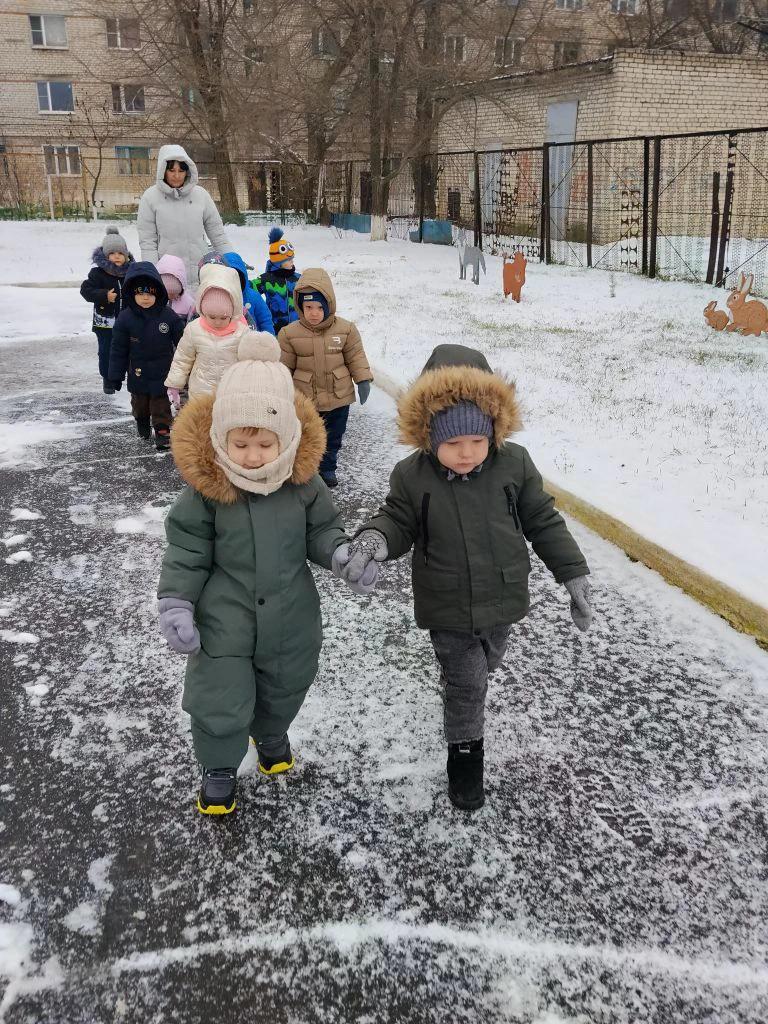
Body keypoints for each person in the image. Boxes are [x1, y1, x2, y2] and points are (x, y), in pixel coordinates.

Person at [333, 344, 594, 812]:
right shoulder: (412, 476)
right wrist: (374, 539)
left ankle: (462, 689)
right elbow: (396, 519)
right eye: (453, 444)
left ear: (494, 430)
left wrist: (572, 573)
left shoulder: (514, 465)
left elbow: (542, 520)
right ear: (429, 436)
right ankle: (466, 760)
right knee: (469, 684)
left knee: (487, 663)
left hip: (502, 596)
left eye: (477, 441)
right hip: (446, 602)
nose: (467, 453)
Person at [156, 333, 369, 815]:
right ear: (220, 437)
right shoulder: (206, 492)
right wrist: (176, 602)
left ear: (287, 437)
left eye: (265, 444)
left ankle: (271, 731)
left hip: (291, 614)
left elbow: (323, 530)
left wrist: (340, 555)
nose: (252, 457)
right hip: (224, 618)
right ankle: (219, 765)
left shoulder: (303, 483)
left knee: (286, 681)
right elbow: (187, 549)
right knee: (220, 694)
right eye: (241, 443)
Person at [278, 268, 373, 489]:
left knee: (334, 436)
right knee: (306, 435)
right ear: (300, 306)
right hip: (306, 399)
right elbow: (283, 368)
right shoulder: (289, 334)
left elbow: (356, 357)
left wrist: (363, 380)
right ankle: (308, 469)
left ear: (329, 304)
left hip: (338, 397)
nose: (314, 313)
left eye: (320, 307)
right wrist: (279, 392)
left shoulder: (346, 330)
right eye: (309, 307)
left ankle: (328, 468)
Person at [107, 262, 184, 451]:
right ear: (132, 294)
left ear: (158, 293)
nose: (145, 297)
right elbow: (118, 349)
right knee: (140, 404)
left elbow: (183, 343)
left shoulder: (168, 316)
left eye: (150, 293)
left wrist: (185, 367)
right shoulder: (125, 318)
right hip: (138, 372)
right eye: (141, 293)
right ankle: (141, 421)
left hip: (162, 371)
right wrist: (115, 375)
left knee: (160, 404)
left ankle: (162, 431)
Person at [137, 144, 230, 287]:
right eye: (171, 170)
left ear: (187, 171)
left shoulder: (201, 195)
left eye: (181, 170)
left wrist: (233, 261)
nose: (176, 175)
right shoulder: (150, 197)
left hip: (201, 273)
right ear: (163, 170)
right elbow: (148, 242)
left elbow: (218, 234)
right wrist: (152, 274)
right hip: (169, 277)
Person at [164, 263, 258, 405]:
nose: (218, 322)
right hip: (201, 394)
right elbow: (182, 359)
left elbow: (251, 362)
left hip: (232, 394)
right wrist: (174, 384)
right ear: (203, 311)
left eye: (223, 318)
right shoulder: (194, 330)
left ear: (233, 312)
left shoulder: (241, 332)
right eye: (212, 317)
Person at [79, 226, 133, 393]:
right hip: (105, 323)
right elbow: (85, 290)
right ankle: (108, 380)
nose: (117, 256)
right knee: (106, 352)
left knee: (126, 350)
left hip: (126, 322)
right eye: (112, 253)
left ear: (126, 255)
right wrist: (104, 295)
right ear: (105, 255)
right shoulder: (97, 273)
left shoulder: (131, 273)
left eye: (120, 253)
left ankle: (120, 377)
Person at [252, 227, 300, 334]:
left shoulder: (298, 278)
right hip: (275, 328)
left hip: (296, 328)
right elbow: (248, 288)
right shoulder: (266, 279)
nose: (292, 262)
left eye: (292, 259)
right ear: (279, 262)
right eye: (289, 260)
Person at [221, 251, 275, 335]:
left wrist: (268, 339)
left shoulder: (253, 296)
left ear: (243, 277)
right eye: (228, 278)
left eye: (237, 277)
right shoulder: (218, 298)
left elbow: (265, 320)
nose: (233, 282)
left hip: (253, 340)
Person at [156, 254, 195, 321]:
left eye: (173, 294)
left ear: (181, 290)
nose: (168, 297)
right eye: (165, 294)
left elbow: (192, 320)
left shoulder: (188, 303)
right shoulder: (153, 300)